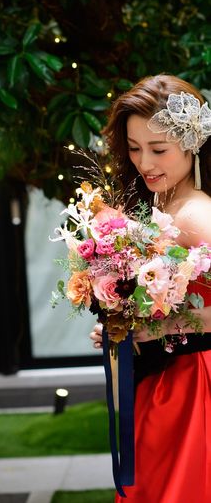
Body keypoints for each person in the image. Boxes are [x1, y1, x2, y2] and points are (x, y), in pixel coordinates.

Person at [88, 74, 211, 503]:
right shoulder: (161, 200)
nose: (144, 163)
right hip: (164, 379)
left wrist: (160, 327)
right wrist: (121, 323)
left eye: (158, 150)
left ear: (192, 143)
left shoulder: (196, 215)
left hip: (190, 385)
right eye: (134, 148)